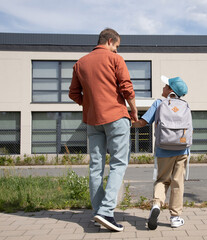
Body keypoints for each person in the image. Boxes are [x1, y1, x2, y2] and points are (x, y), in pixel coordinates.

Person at [69, 28, 138, 232]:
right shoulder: (115, 60)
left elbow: (73, 93)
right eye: (116, 46)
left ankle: (98, 211)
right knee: (118, 163)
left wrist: (91, 105)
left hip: (93, 120)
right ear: (110, 41)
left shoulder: (80, 63)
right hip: (116, 116)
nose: (116, 50)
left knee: (95, 168)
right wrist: (134, 112)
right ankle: (106, 211)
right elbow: (126, 87)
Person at [132, 75, 189, 230]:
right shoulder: (185, 105)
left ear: (171, 90)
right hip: (182, 149)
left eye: (165, 85)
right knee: (178, 183)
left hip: (164, 149)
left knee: (162, 180)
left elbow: (142, 122)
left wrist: (129, 123)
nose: (163, 87)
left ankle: (156, 205)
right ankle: (175, 218)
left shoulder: (159, 103)